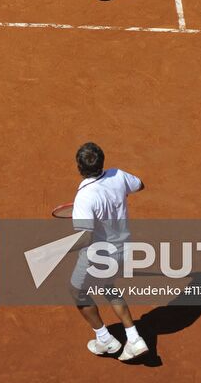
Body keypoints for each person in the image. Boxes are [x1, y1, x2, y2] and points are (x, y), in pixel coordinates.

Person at [70, 142, 149, 362]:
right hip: (123, 249)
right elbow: (140, 185)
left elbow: (85, 236)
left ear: (79, 167)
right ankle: (134, 339)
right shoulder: (118, 175)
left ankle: (104, 338)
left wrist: (58, 249)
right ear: (102, 161)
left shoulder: (85, 196)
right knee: (107, 285)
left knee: (77, 291)